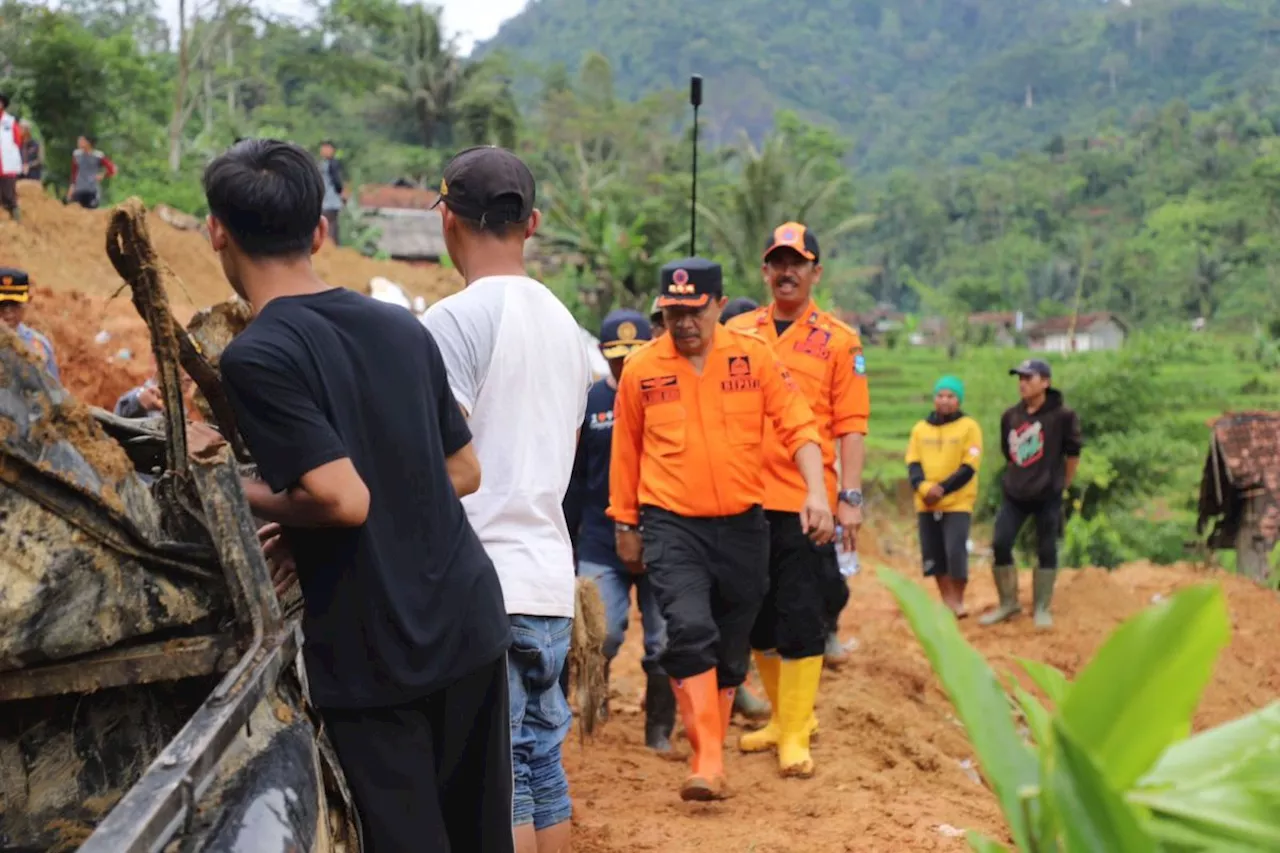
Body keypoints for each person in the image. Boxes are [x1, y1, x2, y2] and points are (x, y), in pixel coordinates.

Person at [201, 139, 513, 853]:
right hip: (466, 620)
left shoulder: (258, 354)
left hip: (378, 650)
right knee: (480, 837)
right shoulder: (398, 324)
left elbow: (345, 499)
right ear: (318, 230)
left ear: (217, 230)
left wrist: (241, 487)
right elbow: (464, 469)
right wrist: (324, 505)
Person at [609, 256, 834, 802]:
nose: (683, 323)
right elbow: (626, 451)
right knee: (688, 631)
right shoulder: (643, 368)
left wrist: (816, 490)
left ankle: (713, 738)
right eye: (673, 312)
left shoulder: (753, 357)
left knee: (733, 649)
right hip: (671, 524)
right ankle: (706, 757)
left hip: (741, 525)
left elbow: (798, 424)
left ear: (716, 304)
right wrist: (625, 522)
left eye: (694, 311)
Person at [422, 145, 590, 853]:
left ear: (447, 218)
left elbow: (440, 462)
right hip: (550, 583)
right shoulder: (570, 330)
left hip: (482, 581)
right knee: (542, 764)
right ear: (534, 223)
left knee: (499, 777)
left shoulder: (453, 321)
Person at [725, 222, 869, 777]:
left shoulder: (839, 340)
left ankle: (795, 729)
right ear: (764, 270)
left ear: (815, 272)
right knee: (755, 619)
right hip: (741, 498)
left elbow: (852, 426)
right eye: (777, 262)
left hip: (805, 500)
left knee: (802, 615)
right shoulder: (737, 332)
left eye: (798, 262)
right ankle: (787, 719)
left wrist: (848, 498)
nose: (787, 271)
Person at [563, 308, 676, 753]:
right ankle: (597, 691)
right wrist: (566, 539)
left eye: (634, 354)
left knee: (664, 637)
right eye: (615, 357)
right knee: (601, 631)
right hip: (599, 538)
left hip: (663, 536)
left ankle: (659, 727)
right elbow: (574, 477)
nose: (624, 365)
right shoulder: (589, 404)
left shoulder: (668, 396)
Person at [982, 358, 1083, 629]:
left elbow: (1073, 452)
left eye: (1029, 378)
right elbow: (1010, 453)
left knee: (1046, 547)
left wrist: (1064, 482)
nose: (1023, 383)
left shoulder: (1063, 416)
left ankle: (1041, 607)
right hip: (1015, 493)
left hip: (1048, 493)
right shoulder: (1011, 416)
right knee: (1001, 542)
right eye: (1020, 378)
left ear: (1046, 383)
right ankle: (1008, 602)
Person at [905, 375, 983, 618]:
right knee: (934, 553)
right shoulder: (920, 429)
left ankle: (958, 600)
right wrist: (925, 489)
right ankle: (948, 602)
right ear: (934, 398)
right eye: (940, 395)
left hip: (958, 501)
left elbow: (969, 467)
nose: (945, 401)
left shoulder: (969, 427)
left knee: (955, 550)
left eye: (951, 396)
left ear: (958, 400)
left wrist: (942, 490)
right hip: (926, 502)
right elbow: (913, 464)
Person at [0, 268, 60, 381]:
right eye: (1, 304)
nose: (8, 311)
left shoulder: (39, 346)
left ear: (26, 303)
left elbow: (54, 392)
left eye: (15, 304)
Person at [66, 135, 116, 209]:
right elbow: (74, 172)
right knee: (76, 213)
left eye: (81, 141)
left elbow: (112, 168)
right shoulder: (76, 155)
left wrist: (103, 175)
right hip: (79, 190)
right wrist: (72, 186)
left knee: (90, 214)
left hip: (92, 191)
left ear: (88, 142)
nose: (79, 143)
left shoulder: (98, 156)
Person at [318, 141, 346, 245]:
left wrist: (341, 194)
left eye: (326, 148)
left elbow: (337, 182)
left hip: (330, 201)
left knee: (329, 225)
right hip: (326, 201)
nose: (323, 150)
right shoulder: (322, 163)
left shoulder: (332, 164)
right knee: (330, 225)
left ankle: (331, 246)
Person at [0, 95, 23, 222]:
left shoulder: (10, 121)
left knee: (9, 195)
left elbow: (17, 141)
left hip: (7, 165)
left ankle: (16, 221)